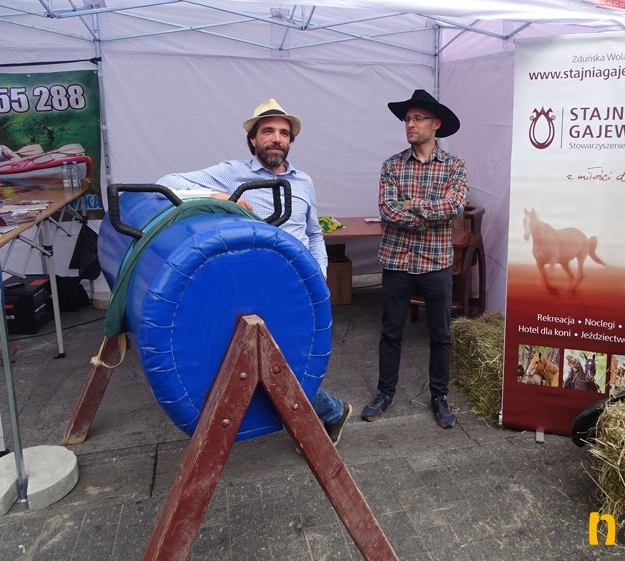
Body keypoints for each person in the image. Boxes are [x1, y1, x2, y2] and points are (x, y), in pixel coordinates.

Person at [157, 98, 352, 445]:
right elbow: (167, 182)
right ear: (253, 139)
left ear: (290, 141)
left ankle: (322, 417)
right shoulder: (233, 173)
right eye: (268, 131)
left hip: (299, 283)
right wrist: (217, 196)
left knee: (291, 355)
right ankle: (330, 412)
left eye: (283, 133)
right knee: (272, 357)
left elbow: (314, 233)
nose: (276, 139)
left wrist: (319, 272)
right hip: (255, 283)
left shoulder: (304, 181)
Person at [361, 89, 468, 429]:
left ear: (436, 124)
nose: (410, 124)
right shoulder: (392, 165)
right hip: (397, 261)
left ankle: (440, 395)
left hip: (435, 263)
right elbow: (388, 210)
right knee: (391, 331)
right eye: (407, 118)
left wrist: (412, 204)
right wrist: (429, 213)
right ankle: (385, 393)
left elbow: (455, 206)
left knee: (441, 334)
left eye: (418, 118)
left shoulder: (454, 166)